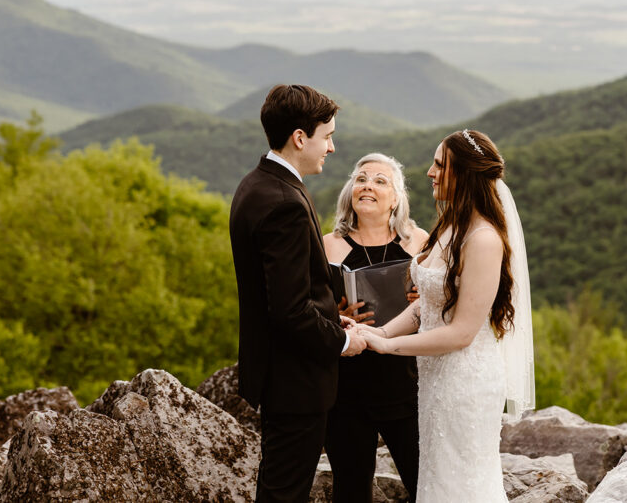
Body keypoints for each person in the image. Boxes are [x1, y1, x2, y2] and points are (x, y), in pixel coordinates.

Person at [360, 129, 534, 502]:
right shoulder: (450, 227)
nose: (429, 172)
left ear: (466, 174)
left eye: (440, 164)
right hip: (437, 379)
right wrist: (375, 334)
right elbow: (427, 305)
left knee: (462, 485)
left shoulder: (483, 239)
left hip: (466, 382)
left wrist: (388, 348)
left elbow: (460, 333)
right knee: (437, 480)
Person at [229, 84, 368, 502]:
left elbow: (289, 286)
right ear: (300, 137)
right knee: (285, 493)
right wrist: (343, 339)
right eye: (327, 135)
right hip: (295, 379)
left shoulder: (257, 184)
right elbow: (288, 309)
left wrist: (329, 315)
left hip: (278, 373)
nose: (332, 146)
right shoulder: (283, 201)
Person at [322, 153, 429, 502]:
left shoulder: (418, 242)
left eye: (380, 181)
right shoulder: (328, 245)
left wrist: (422, 299)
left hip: (407, 382)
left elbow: (444, 306)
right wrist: (335, 311)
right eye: (361, 178)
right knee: (351, 491)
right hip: (348, 388)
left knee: (424, 483)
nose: (367, 185)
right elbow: (308, 311)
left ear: (396, 198)